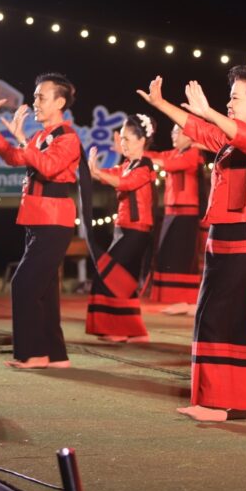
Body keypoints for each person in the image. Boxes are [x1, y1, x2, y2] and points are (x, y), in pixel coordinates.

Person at [138, 66, 246, 422]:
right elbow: (202, 130)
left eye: (235, 97)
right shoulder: (235, 137)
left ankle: (215, 402)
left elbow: (239, 136)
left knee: (217, 316)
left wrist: (208, 111)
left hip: (245, 236)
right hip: (229, 234)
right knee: (234, 319)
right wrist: (162, 104)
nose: (229, 103)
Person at [0, 73, 81, 369]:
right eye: (35, 96)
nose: (35, 102)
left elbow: (48, 167)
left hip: (54, 219)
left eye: (41, 97)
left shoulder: (68, 138)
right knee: (45, 291)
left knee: (24, 284)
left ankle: (34, 353)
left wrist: (23, 139)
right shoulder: (40, 137)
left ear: (59, 102)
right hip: (37, 217)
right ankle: (55, 355)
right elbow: (16, 157)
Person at [84, 115, 156, 341]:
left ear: (141, 140)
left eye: (126, 138)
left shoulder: (145, 165)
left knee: (110, 277)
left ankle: (117, 329)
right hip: (123, 229)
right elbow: (112, 176)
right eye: (121, 138)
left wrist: (98, 172)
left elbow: (126, 183)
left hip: (136, 230)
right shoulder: (126, 165)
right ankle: (133, 331)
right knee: (124, 281)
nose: (122, 143)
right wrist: (95, 170)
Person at [146, 124, 203, 315]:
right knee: (168, 254)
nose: (173, 135)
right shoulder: (174, 153)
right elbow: (158, 157)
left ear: (189, 136)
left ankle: (186, 299)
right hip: (172, 211)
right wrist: (135, 152)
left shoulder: (193, 153)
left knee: (182, 256)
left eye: (177, 132)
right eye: (172, 132)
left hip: (187, 212)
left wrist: (145, 157)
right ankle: (175, 299)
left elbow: (170, 165)